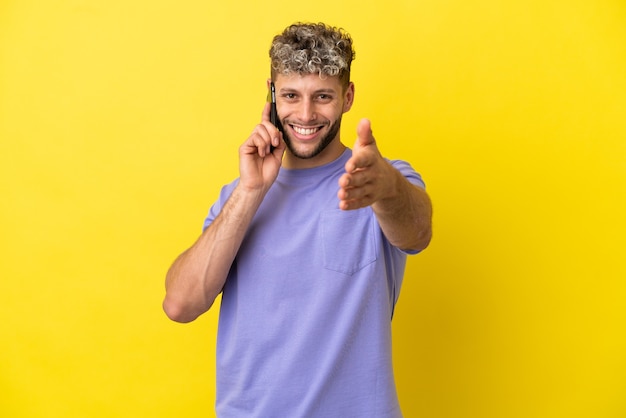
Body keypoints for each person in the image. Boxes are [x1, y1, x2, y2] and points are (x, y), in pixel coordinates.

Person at [163, 22, 433, 417]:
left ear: (347, 97)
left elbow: (418, 232)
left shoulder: (379, 181)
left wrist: (386, 187)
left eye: (322, 96)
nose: (305, 114)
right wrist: (252, 190)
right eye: (291, 95)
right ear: (271, 95)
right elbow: (180, 305)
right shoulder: (236, 197)